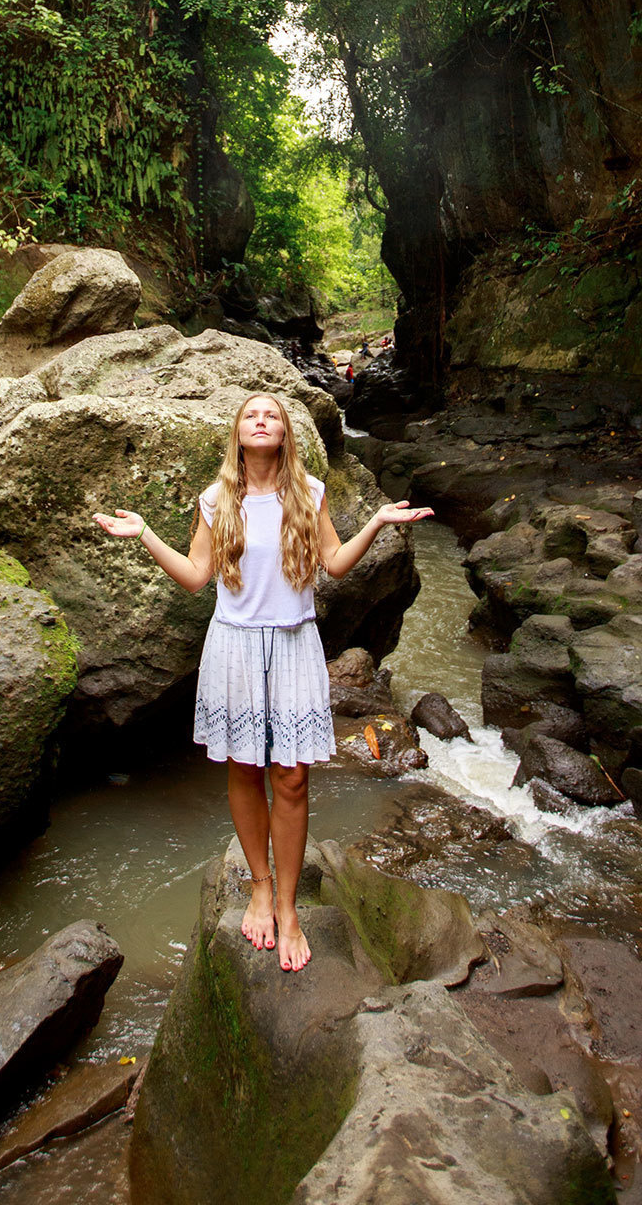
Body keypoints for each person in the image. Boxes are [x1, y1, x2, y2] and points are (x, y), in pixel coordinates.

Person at [93, 393, 432, 974]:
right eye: (251, 414)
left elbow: (334, 564)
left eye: (271, 415)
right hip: (235, 646)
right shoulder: (216, 499)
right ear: (238, 433)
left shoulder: (309, 493)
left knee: (292, 777)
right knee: (244, 769)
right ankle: (258, 885)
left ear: (284, 434)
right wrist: (145, 533)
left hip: (296, 643)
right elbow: (196, 577)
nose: (261, 420)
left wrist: (377, 522)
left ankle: (287, 906)